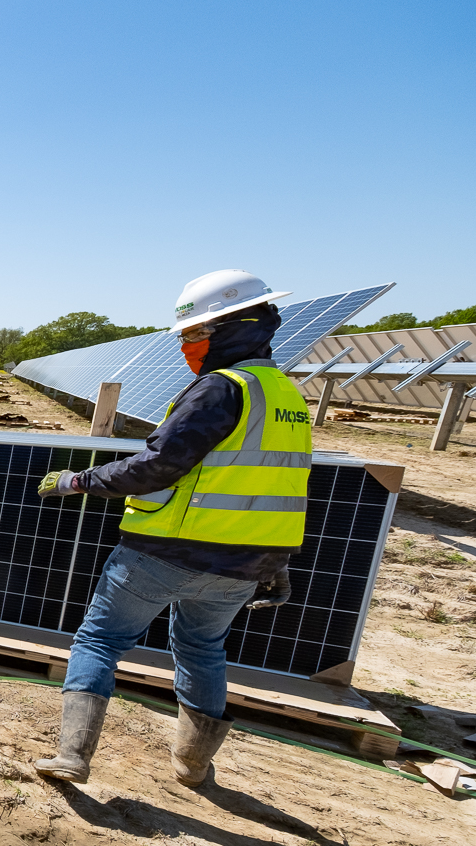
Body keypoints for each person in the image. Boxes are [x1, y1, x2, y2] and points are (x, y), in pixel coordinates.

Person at [32, 269, 310, 787]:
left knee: (99, 640)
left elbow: (156, 466)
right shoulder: (288, 397)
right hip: (243, 565)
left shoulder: (219, 391)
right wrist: (275, 562)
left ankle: (73, 755)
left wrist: (78, 480)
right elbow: (283, 488)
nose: (185, 346)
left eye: (192, 333)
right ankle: (193, 765)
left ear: (232, 328)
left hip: (164, 552)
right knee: (203, 650)